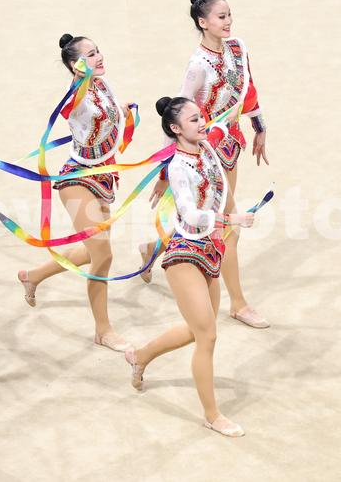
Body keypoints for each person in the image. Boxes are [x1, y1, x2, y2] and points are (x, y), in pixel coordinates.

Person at [140, 0, 270, 328]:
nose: (228, 22)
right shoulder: (198, 66)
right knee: (228, 228)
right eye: (221, 17)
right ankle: (238, 304)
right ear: (203, 22)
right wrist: (167, 170)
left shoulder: (237, 48)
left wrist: (259, 126)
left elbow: (247, 89)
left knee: (214, 218)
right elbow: (175, 115)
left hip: (231, 146)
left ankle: (153, 248)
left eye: (229, 15)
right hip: (206, 151)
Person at [126, 96, 255, 437]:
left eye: (201, 117)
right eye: (194, 120)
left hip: (211, 250)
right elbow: (190, 213)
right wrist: (231, 219)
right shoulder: (178, 166)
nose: (202, 123)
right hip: (185, 252)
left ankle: (141, 355)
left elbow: (230, 115)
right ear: (175, 129)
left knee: (197, 328)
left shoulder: (207, 148)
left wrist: (255, 120)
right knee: (208, 335)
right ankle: (212, 415)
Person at [17, 34, 134, 351]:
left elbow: (104, 115)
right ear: (75, 64)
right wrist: (80, 80)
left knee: (90, 251)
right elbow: (71, 108)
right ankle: (103, 330)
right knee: (104, 255)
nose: (99, 57)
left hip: (103, 176)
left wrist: (122, 110)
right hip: (78, 179)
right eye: (90, 55)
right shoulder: (75, 93)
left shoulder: (102, 84)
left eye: (98, 51)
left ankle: (32, 276)